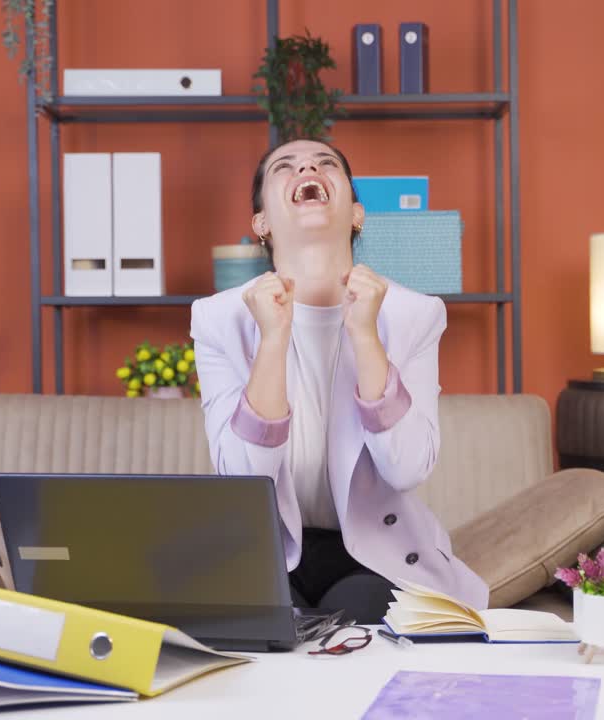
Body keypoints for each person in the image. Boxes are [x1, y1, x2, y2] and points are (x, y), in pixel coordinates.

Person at [189, 139, 487, 623]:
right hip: (266, 551)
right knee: (258, 623)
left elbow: (407, 468)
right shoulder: (218, 319)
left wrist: (366, 336)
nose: (307, 166)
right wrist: (272, 341)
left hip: (378, 554)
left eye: (326, 163)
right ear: (261, 223)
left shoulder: (414, 315)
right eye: (285, 167)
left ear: (356, 213)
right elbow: (244, 480)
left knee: (364, 620)